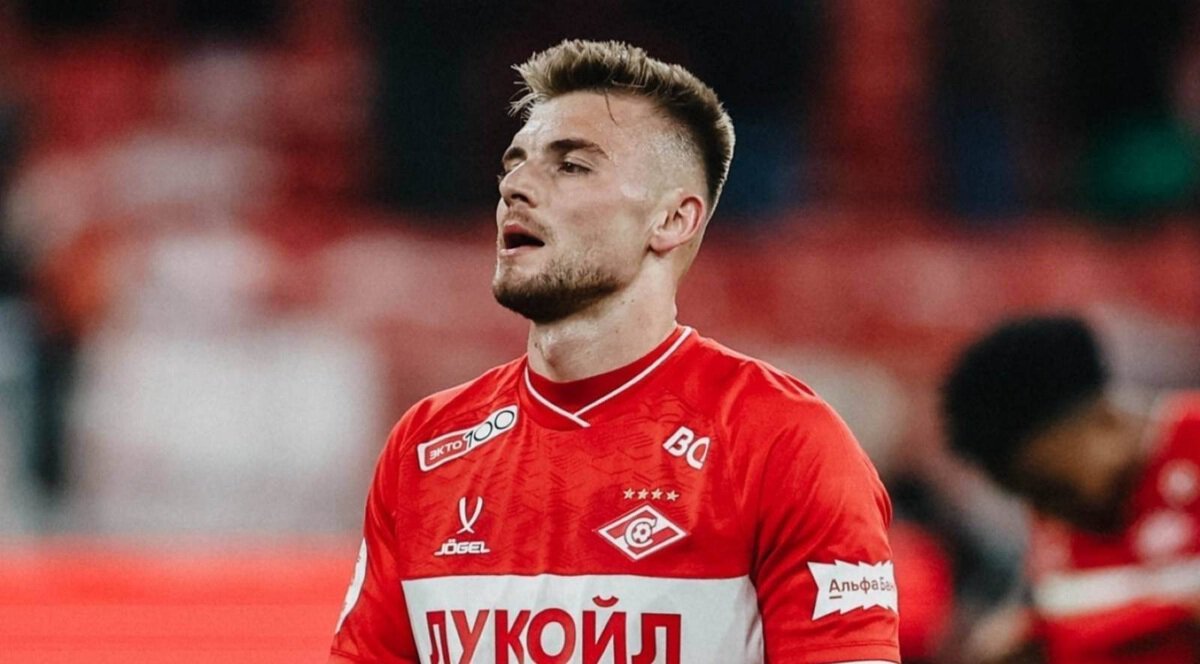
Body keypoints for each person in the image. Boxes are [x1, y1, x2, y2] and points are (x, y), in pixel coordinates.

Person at [330, 40, 899, 664]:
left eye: (572, 165)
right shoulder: (426, 447)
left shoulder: (782, 442)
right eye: (513, 164)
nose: (516, 186)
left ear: (673, 220)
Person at [942, 315, 1200, 663]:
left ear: (1103, 422)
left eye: (1049, 487)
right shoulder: (1061, 527)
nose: (1044, 512)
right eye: (1027, 497)